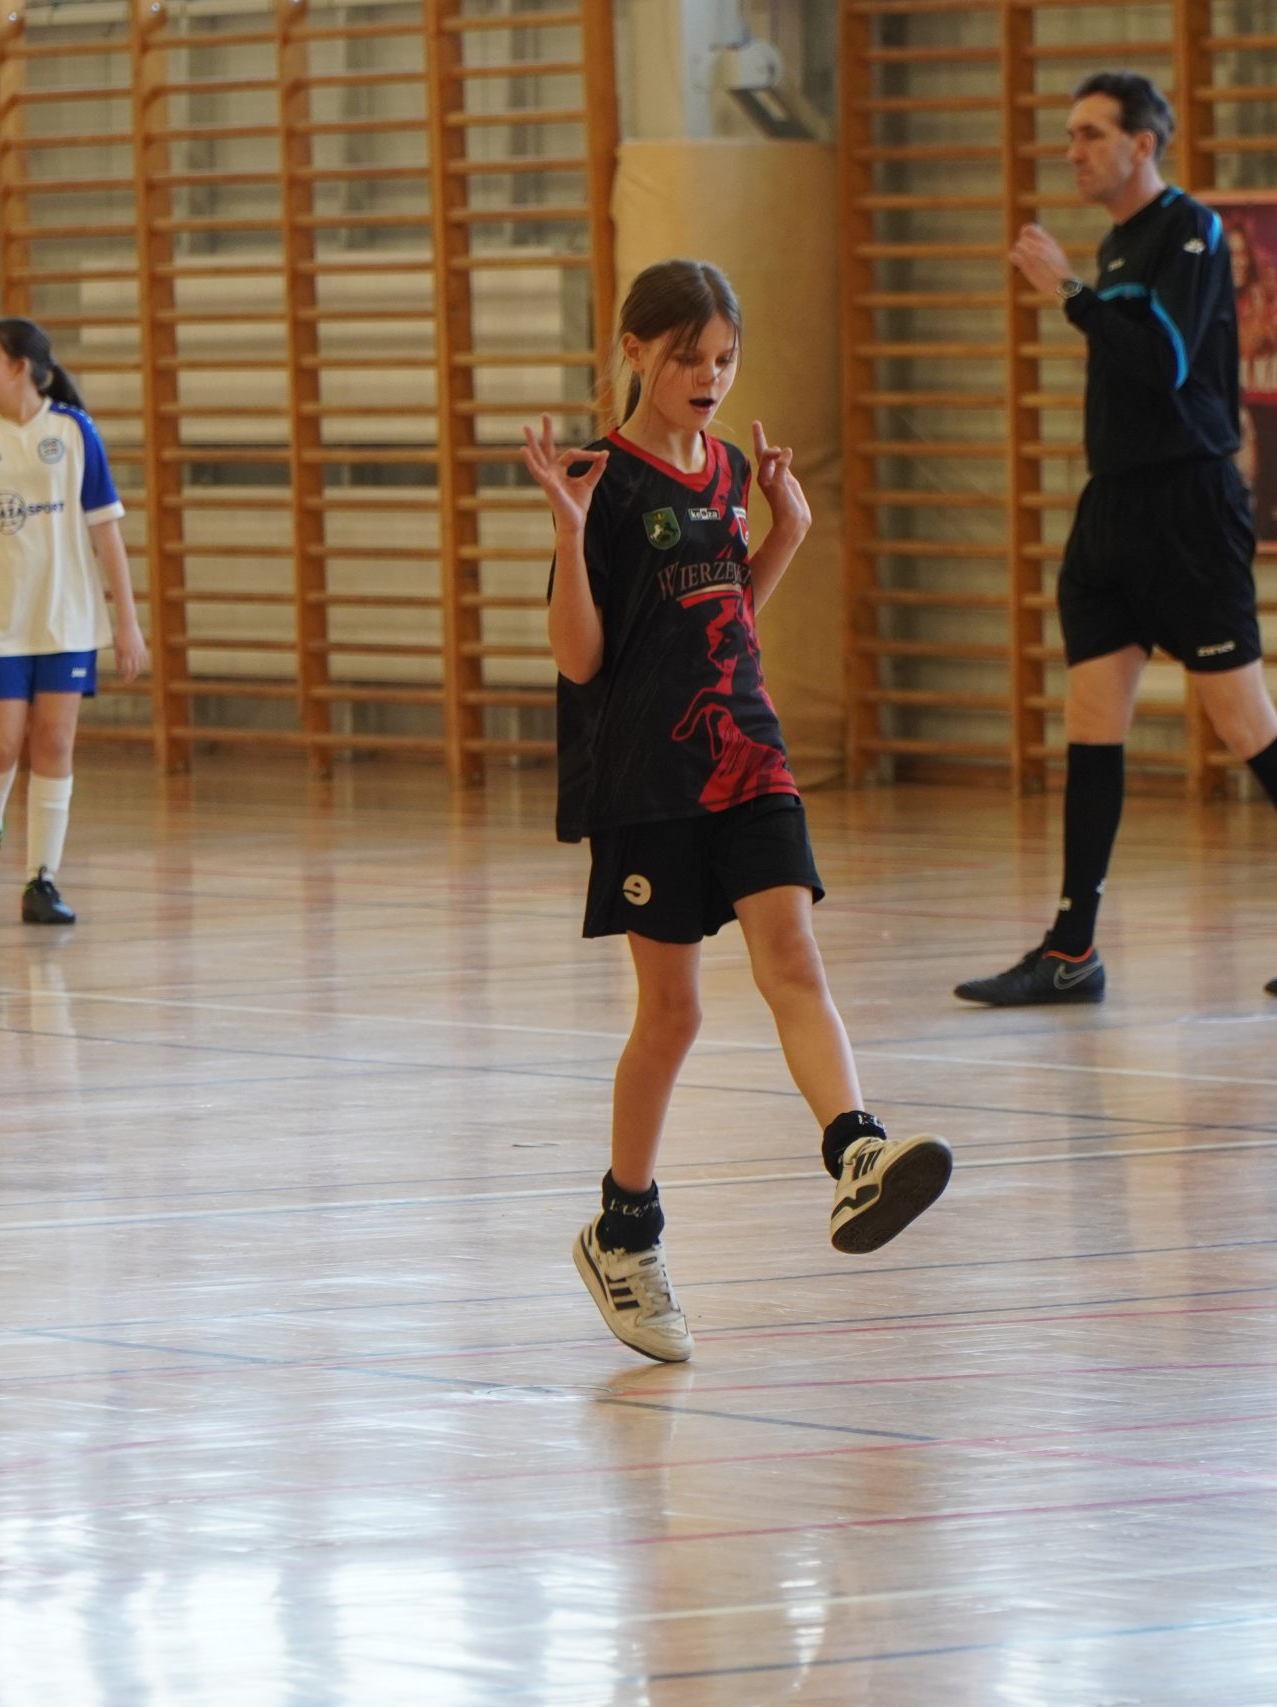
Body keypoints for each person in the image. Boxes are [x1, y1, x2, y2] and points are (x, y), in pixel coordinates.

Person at [525, 257, 954, 1365]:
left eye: (724, 359)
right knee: (672, 1015)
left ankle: (855, 1151)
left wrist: (784, 533)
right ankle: (623, 1231)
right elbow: (581, 659)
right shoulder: (603, 482)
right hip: (647, 777)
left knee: (794, 960)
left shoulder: (724, 469)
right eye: (688, 359)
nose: (710, 378)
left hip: (748, 752)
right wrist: (569, 536)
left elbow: (726, 613)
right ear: (634, 352)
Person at [958, 70, 1277, 1007]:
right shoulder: (1117, 243)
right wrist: (1083, 288)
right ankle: (1072, 949)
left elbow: (1165, 362)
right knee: (1091, 723)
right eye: (1069, 134)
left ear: (1142, 144)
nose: (1072, 150)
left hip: (1191, 506)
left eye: (1090, 134)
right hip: (1113, 507)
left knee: (1243, 721)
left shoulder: (1191, 230)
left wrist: (1069, 291)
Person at [0, 318, 148, 927]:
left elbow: (106, 532)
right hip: (1, 623)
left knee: (54, 744)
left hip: (67, 620)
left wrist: (126, 623)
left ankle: (42, 880)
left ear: (19, 367)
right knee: (0, 746)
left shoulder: (74, 431)